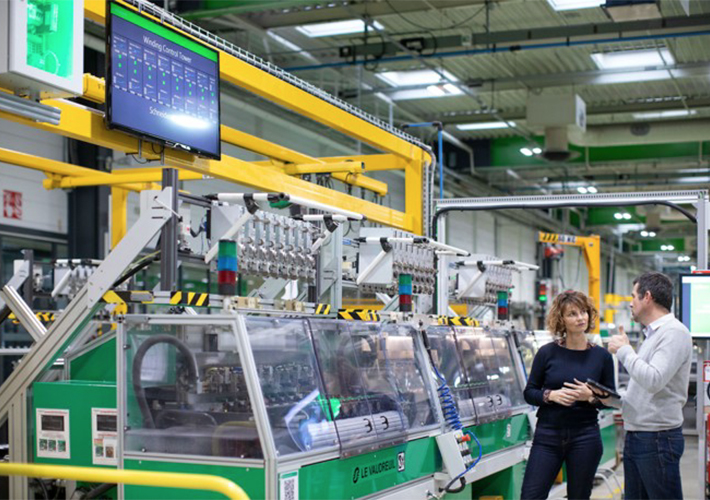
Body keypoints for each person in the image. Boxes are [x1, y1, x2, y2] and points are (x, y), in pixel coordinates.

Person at [601, 271, 692, 500]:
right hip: (639, 434)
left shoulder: (674, 333)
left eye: (633, 296)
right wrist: (612, 397)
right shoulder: (652, 335)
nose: (630, 303)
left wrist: (624, 350)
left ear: (647, 297)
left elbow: (654, 379)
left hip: (657, 438)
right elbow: (643, 384)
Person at [521, 290, 615, 500]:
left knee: (579, 496)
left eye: (583, 312)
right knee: (530, 495)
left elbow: (611, 400)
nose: (580, 318)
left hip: (585, 435)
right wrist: (550, 395)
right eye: (572, 314)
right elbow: (529, 392)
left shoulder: (602, 357)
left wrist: (589, 397)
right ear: (561, 319)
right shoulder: (547, 353)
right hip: (548, 435)